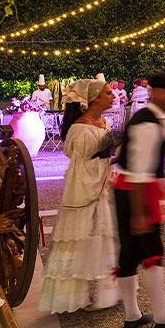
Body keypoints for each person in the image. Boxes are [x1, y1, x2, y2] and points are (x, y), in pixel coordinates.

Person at [114, 71, 165, 328]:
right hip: (137, 192)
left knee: (129, 254)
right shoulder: (148, 123)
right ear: (154, 92)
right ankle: (162, 319)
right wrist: (139, 213)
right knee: (152, 253)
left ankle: (132, 316)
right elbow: (139, 171)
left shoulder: (147, 118)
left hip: (129, 189)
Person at [38, 78, 118, 314]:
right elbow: (82, 161)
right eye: (108, 93)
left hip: (100, 188)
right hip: (83, 190)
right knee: (79, 241)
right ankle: (73, 297)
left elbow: (103, 156)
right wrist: (108, 155)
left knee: (103, 238)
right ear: (92, 99)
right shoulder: (79, 128)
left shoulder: (104, 122)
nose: (113, 97)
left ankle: (107, 294)